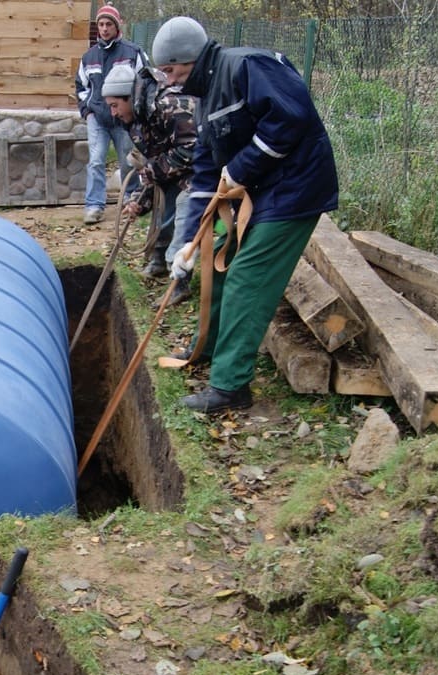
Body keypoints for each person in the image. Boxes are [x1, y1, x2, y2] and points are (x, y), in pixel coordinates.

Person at [151, 16, 339, 413]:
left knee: (246, 279)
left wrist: (241, 168)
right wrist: (189, 243)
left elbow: (291, 119)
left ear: (190, 58)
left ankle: (230, 387)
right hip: (259, 192)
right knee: (214, 262)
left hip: (294, 190)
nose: (168, 80)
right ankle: (207, 346)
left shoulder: (248, 66)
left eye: (170, 70)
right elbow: (206, 176)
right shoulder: (205, 99)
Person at [101, 62, 197, 307]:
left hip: (203, 170)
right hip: (176, 169)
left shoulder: (170, 105)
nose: (113, 113)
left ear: (129, 98)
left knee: (185, 214)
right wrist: (139, 201)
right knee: (161, 204)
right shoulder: (137, 118)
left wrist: (153, 170)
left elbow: (191, 149)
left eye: (115, 105)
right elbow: (155, 165)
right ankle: (159, 260)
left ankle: (179, 282)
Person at [74, 4, 146, 226]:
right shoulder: (89, 57)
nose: (104, 29)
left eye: (108, 24)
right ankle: (94, 206)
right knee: (96, 161)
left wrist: (137, 111)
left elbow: (145, 82)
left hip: (124, 120)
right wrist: (87, 111)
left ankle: (130, 200)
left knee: (128, 161)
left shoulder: (133, 53)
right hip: (98, 118)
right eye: (101, 24)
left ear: (117, 26)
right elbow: (81, 86)